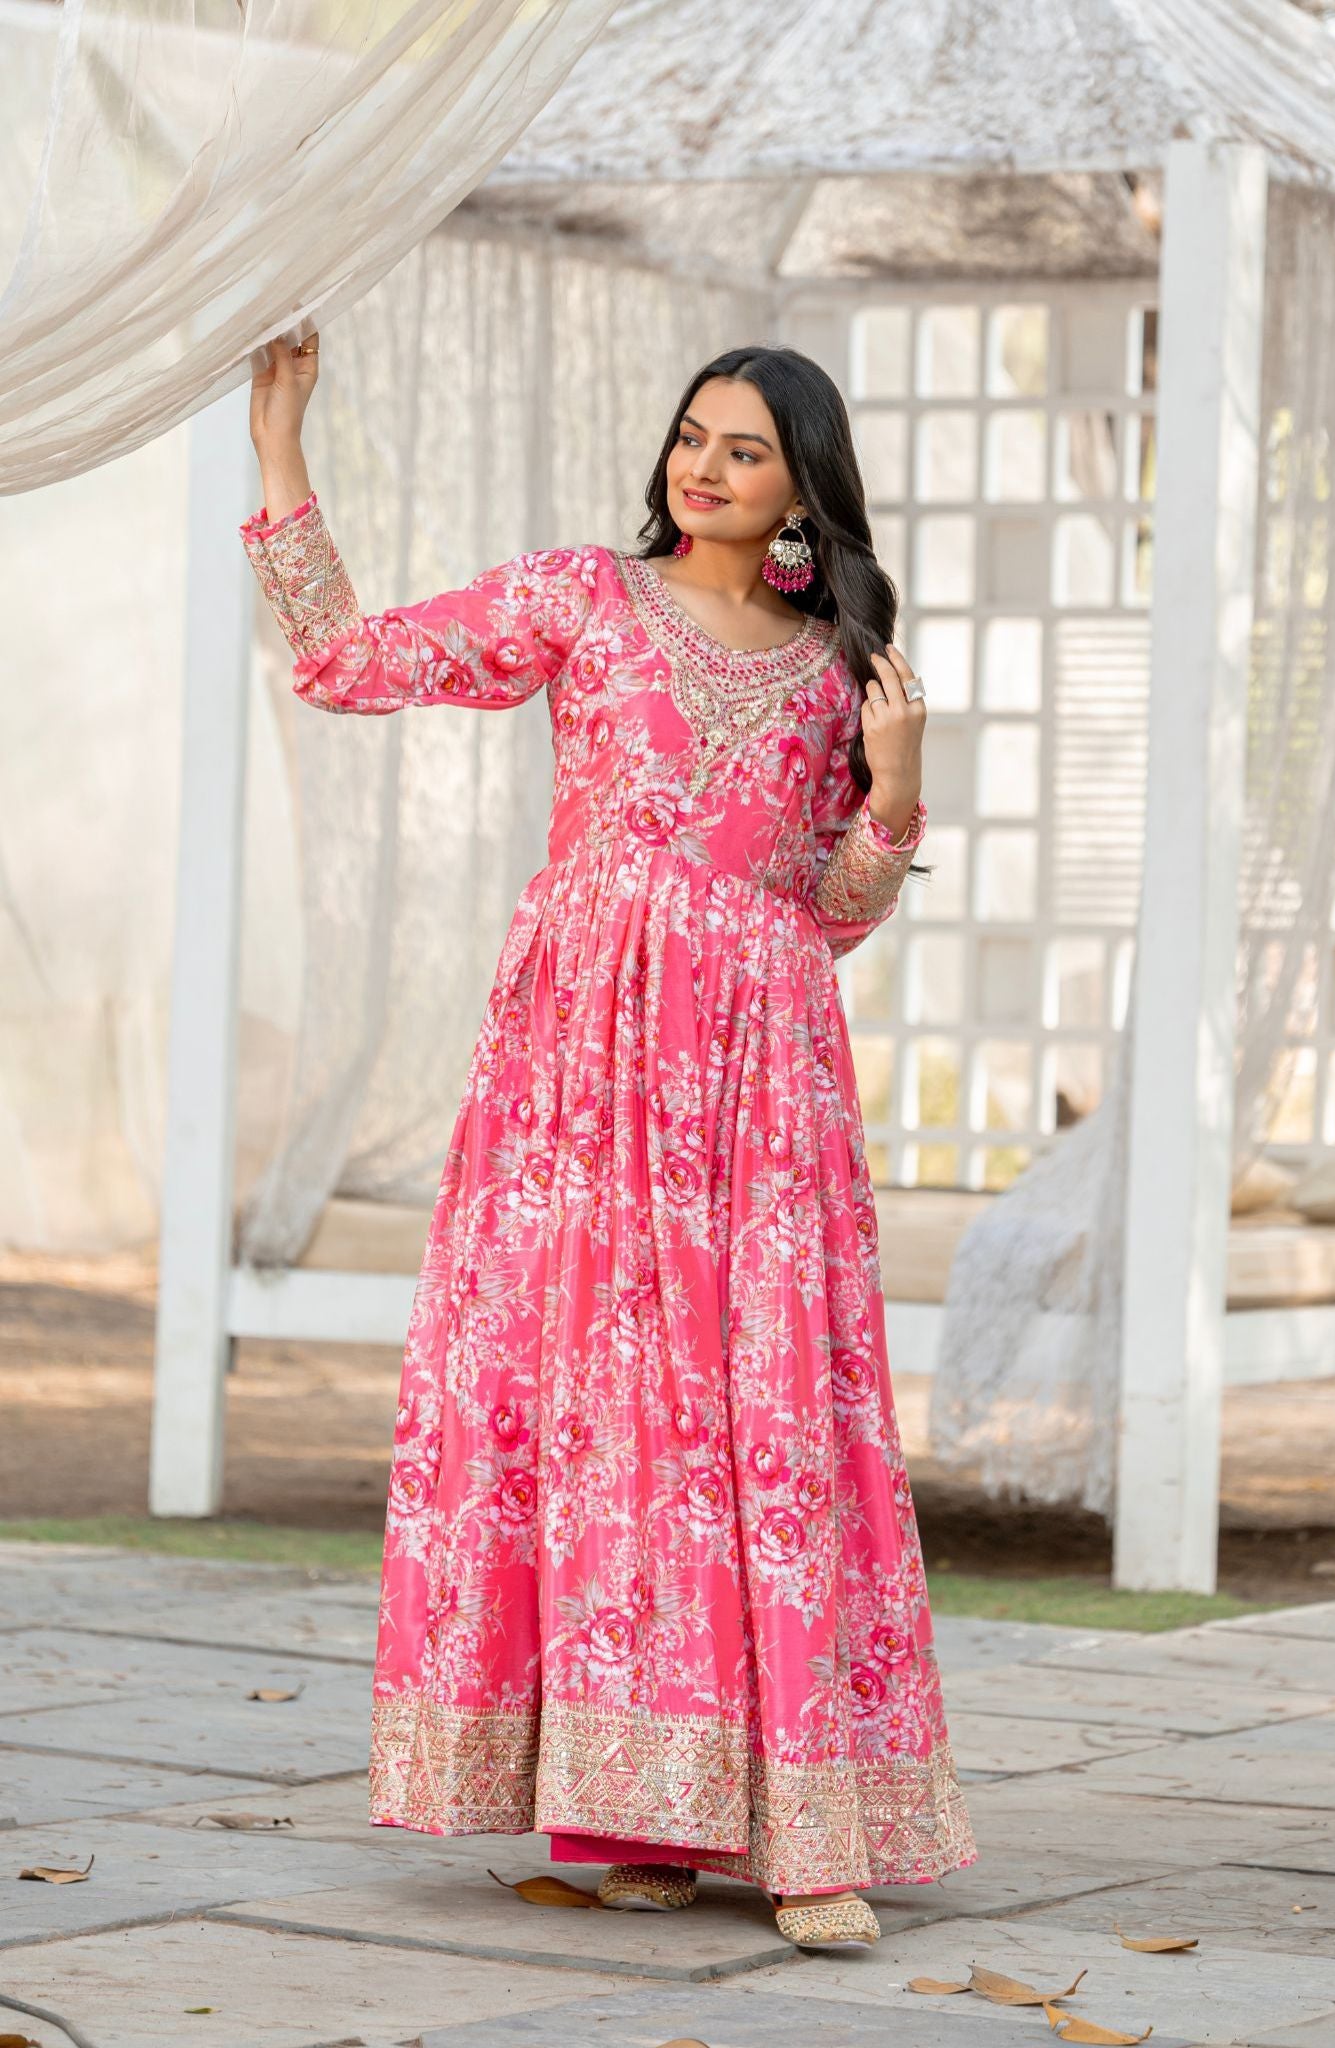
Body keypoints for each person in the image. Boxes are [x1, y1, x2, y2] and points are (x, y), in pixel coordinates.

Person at [241, 331, 976, 1954]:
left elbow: (838, 914)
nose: (701, 472)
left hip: (759, 1072)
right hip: (580, 1064)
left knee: (768, 1419)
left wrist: (896, 788)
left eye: (744, 453)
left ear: (802, 488)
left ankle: (808, 1836)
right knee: (605, 1413)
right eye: (690, 441)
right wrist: (281, 449)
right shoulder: (585, 596)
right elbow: (348, 661)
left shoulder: (833, 662)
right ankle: (635, 1808)